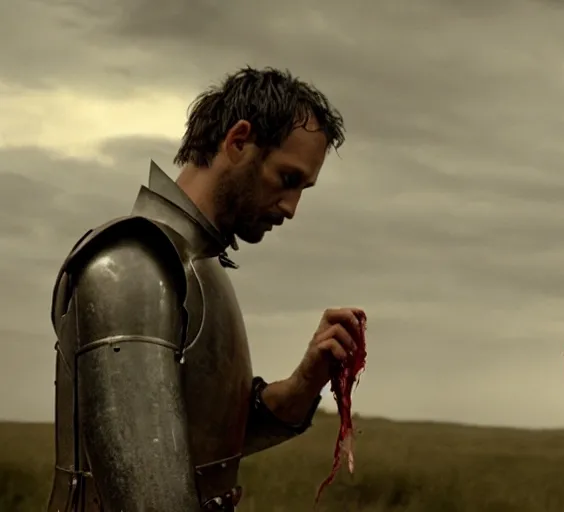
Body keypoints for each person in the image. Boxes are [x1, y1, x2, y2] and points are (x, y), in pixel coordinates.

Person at [46, 67, 366, 511]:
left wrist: (302, 384)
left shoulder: (197, 266)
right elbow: (147, 498)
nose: (292, 208)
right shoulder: (134, 265)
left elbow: (202, 445)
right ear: (237, 141)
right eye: (288, 179)